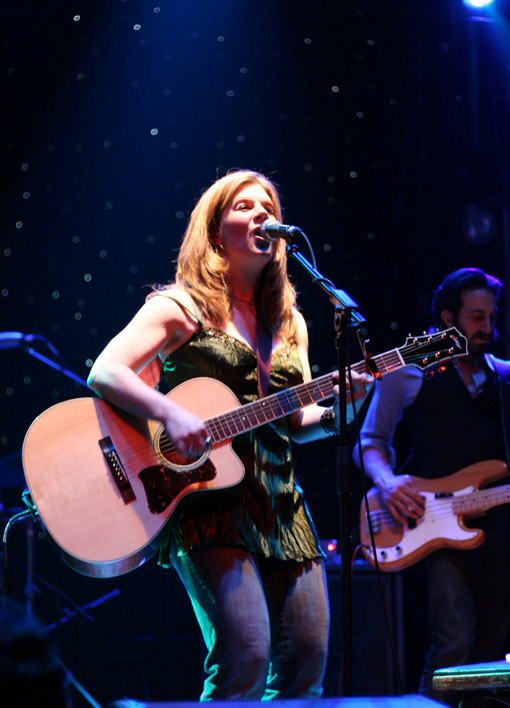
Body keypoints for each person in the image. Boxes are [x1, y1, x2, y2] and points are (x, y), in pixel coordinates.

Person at [87, 169, 372, 701]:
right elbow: (106, 370)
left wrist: (340, 412)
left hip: (282, 505)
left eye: (269, 205)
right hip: (205, 505)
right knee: (245, 656)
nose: (263, 214)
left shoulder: (290, 323)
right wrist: (168, 414)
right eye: (245, 207)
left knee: (306, 661)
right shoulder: (180, 307)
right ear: (217, 232)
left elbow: (294, 424)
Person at [353, 267, 510, 701]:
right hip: (437, 523)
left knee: (495, 653)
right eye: (477, 317)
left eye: (492, 317)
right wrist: (387, 483)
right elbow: (369, 441)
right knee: (454, 643)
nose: (488, 328)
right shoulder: (412, 372)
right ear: (447, 318)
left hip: (500, 527)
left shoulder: (502, 375)